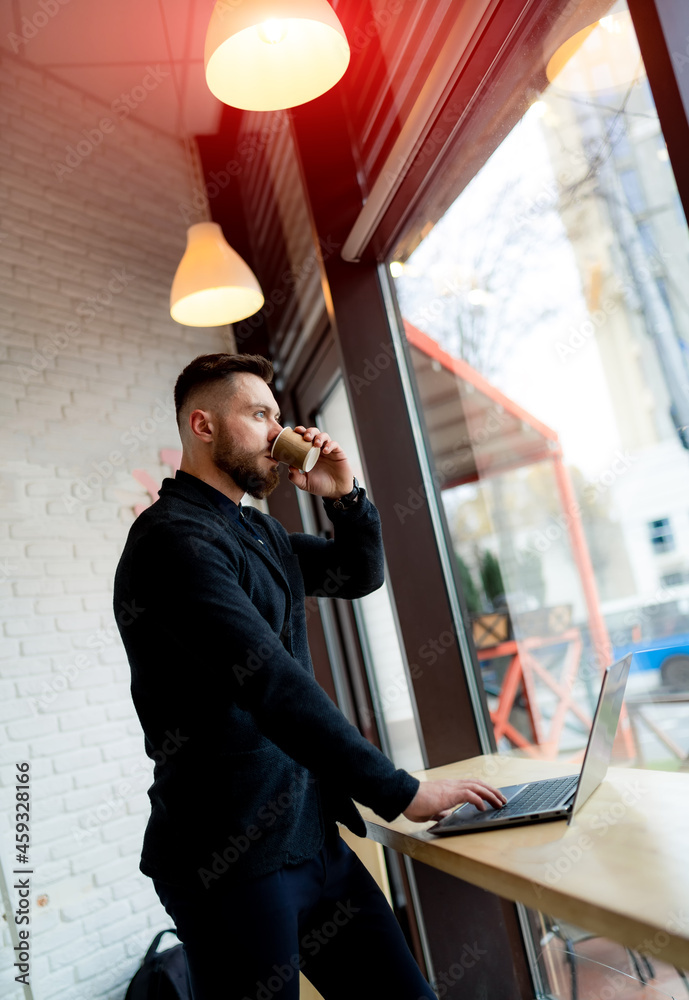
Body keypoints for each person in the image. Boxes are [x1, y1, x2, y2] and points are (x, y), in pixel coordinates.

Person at [113, 353, 506, 1000]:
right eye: (260, 414)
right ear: (203, 425)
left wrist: (345, 496)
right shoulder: (173, 542)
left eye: (278, 415)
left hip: (311, 838)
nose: (278, 431)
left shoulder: (253, 532)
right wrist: (400, 790)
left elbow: (356, 574)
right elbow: (270, 682)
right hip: (229, 857)